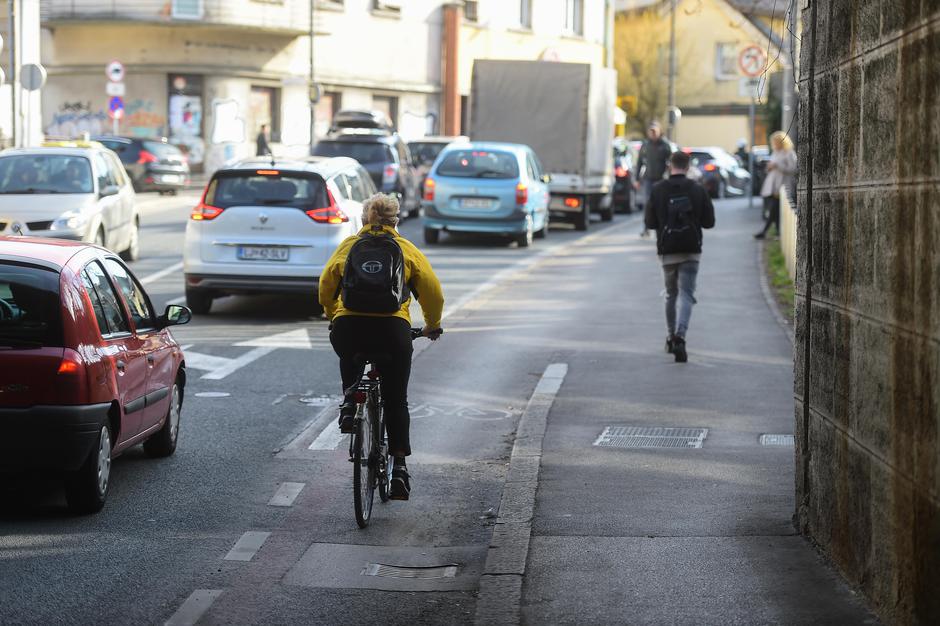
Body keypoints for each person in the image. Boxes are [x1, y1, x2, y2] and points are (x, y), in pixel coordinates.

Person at [319, 193, 444, 501]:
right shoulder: (405, 249)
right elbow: (433, 293)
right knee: (396, 399)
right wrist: (431, 324)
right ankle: (399, 467)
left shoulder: (349, 247)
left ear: (364, 220)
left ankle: (350, 400)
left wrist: (334, 315)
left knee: (349, 352)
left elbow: (325, 285)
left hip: (350, 328)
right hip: (392, 330)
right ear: (395, 220)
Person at [644, 151, 715, 363]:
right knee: (686, 294)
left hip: (667, 251)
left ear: (669, 166)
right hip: (691, 250)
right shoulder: (698, 189)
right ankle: (680, 337)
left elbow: (649, 223)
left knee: (670, 294)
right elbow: (709, 222)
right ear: (688, 166)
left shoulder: (658, 190)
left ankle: (669, 336)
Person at [754, 131, 796, 239]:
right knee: (775, 210)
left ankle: (765, 231)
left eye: (776, 142)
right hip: (772, 185)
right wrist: (769, 167)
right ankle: (776, 232)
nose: (774, 144)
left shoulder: (789, 153)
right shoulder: (775, 152)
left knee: (774, 209)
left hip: (783, 185)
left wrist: (777, 165)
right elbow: (773, 168)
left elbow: (793, 169)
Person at [634, 121, 673, 237]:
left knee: (661, 204)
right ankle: (646, 228)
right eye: (651, 131)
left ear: (659, 131)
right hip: (648, 179)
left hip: (661, 179)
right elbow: (640, 162)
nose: (653, 134)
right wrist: (637, 179)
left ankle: (661, 228)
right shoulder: (645, 145)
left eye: (655, 131)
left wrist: (670, 177)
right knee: (647, 204)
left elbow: (671, 162)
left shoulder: (665, 145)